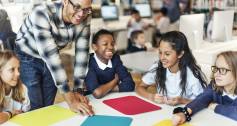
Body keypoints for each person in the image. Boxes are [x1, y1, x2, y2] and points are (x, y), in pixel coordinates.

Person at [14, 0, 94, 115]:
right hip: (27, 56)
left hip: (51, 54)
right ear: (66, 1)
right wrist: (71, 100)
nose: (81, 14)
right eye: (77, 7)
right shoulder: (41, 12)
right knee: (35, 106)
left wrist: (78, 90)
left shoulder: (86, 15)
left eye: (86, 9)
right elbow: (51, 56)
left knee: (47, 106)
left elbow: (82, 53)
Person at [136, 31, 207, 106]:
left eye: (167, 54)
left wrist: (182, 100)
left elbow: (204, 101)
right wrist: (151, 97)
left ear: (180, 54)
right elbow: (140, 87)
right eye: (160, 52)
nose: (162, 58)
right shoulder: (158, 66)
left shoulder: (193, 74)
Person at [172, 51, 237, 125]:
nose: (216, 73)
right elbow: (202, 98)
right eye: (216, 68)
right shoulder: (214, 85)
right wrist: (184, 113)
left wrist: (216, 107)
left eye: (223, 70)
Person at [85, 29, 135, 99]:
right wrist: (115, 81)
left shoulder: (115, 59)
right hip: (93, 102)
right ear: (94, 47)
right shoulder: (89, 63)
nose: (111, 47)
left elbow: (130, 85)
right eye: (105, 44)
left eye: (112, 44)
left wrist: (104, 89)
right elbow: (97, 93)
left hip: (112, 99)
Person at [0, 51, 30, 124]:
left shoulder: (23, 89)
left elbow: (26, 116)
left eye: (18, 69)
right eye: (12, 69)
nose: (18, 73)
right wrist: (11, 113)